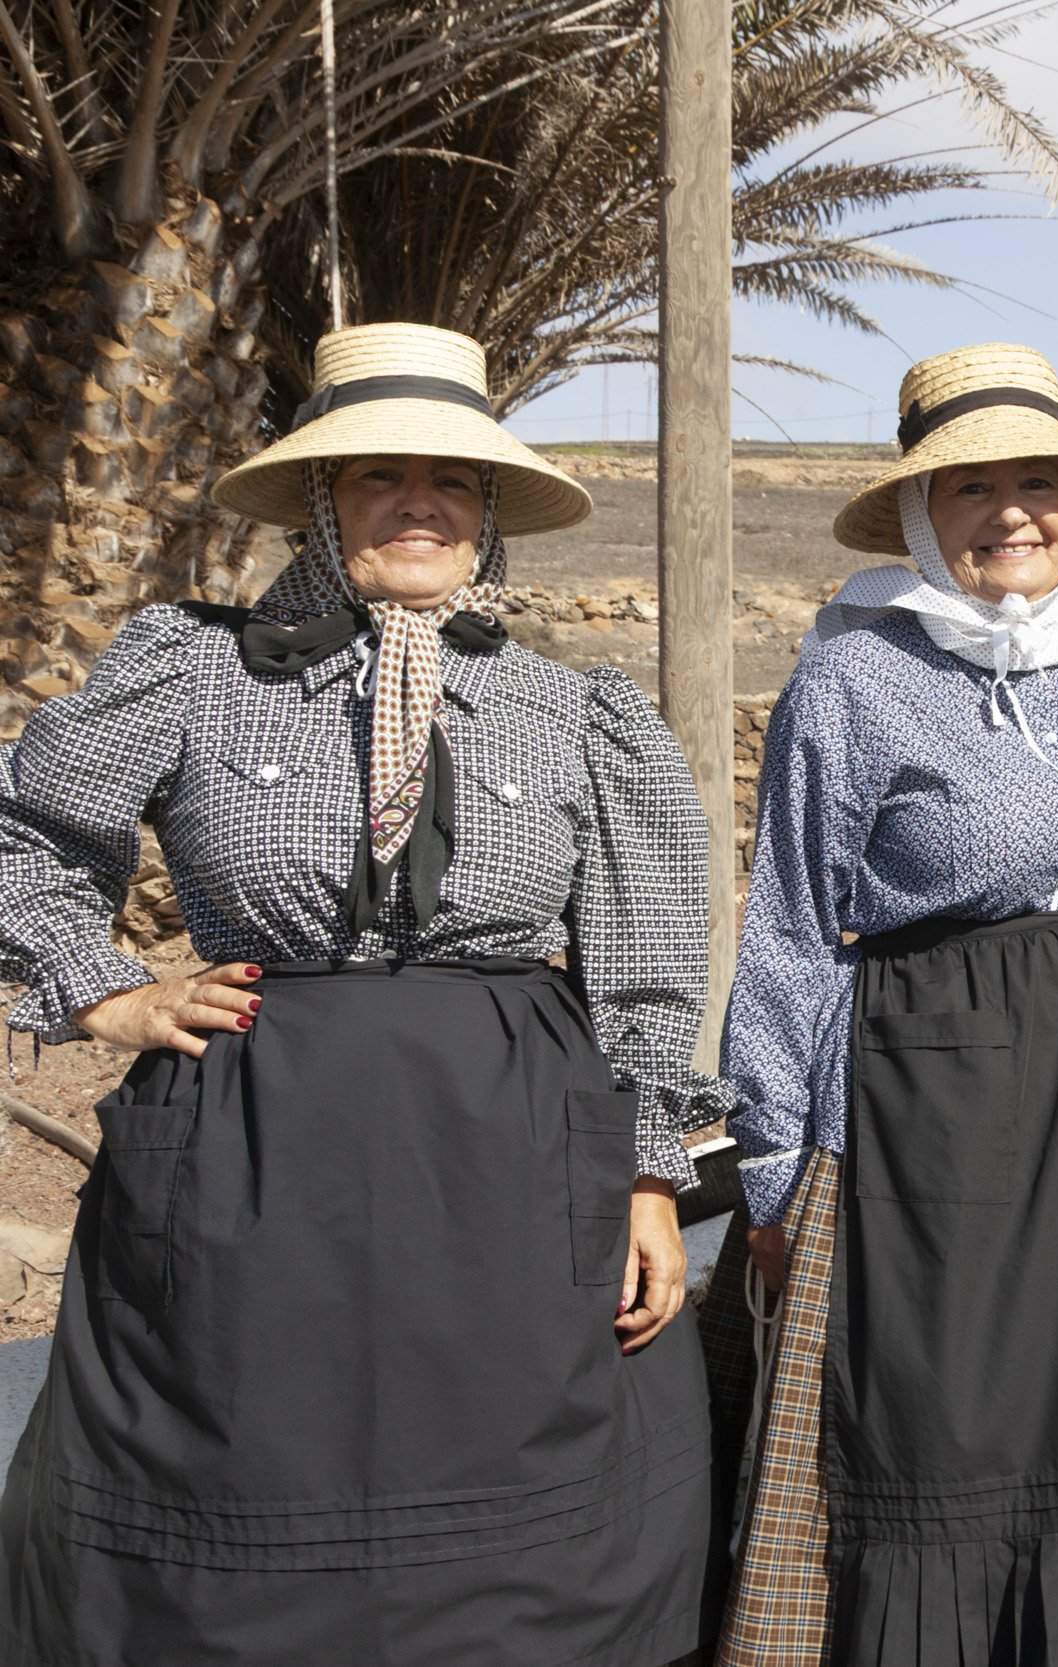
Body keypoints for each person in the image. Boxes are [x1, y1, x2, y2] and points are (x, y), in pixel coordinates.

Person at [0, 323, 717, 1663]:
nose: (417, 503)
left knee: (527, 1545)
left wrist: (649, 1177)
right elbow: (29, 836)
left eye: (450, 479)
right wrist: (110, 994)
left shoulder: (571, 710)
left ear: (489, 510)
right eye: (377, 474)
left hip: (512, 1163)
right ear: (320, 506)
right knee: (241, 1500)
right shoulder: (195, 671)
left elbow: (645, 967)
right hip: (254, 1161)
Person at [713, 343, 1058, 1667]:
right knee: (933, 1429)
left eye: (1037, 481)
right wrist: (773, 1160)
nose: (1011, 512)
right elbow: (790, 919)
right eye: (969, 485)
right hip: (924, 1113)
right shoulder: (856, 677)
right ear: (921, 516)